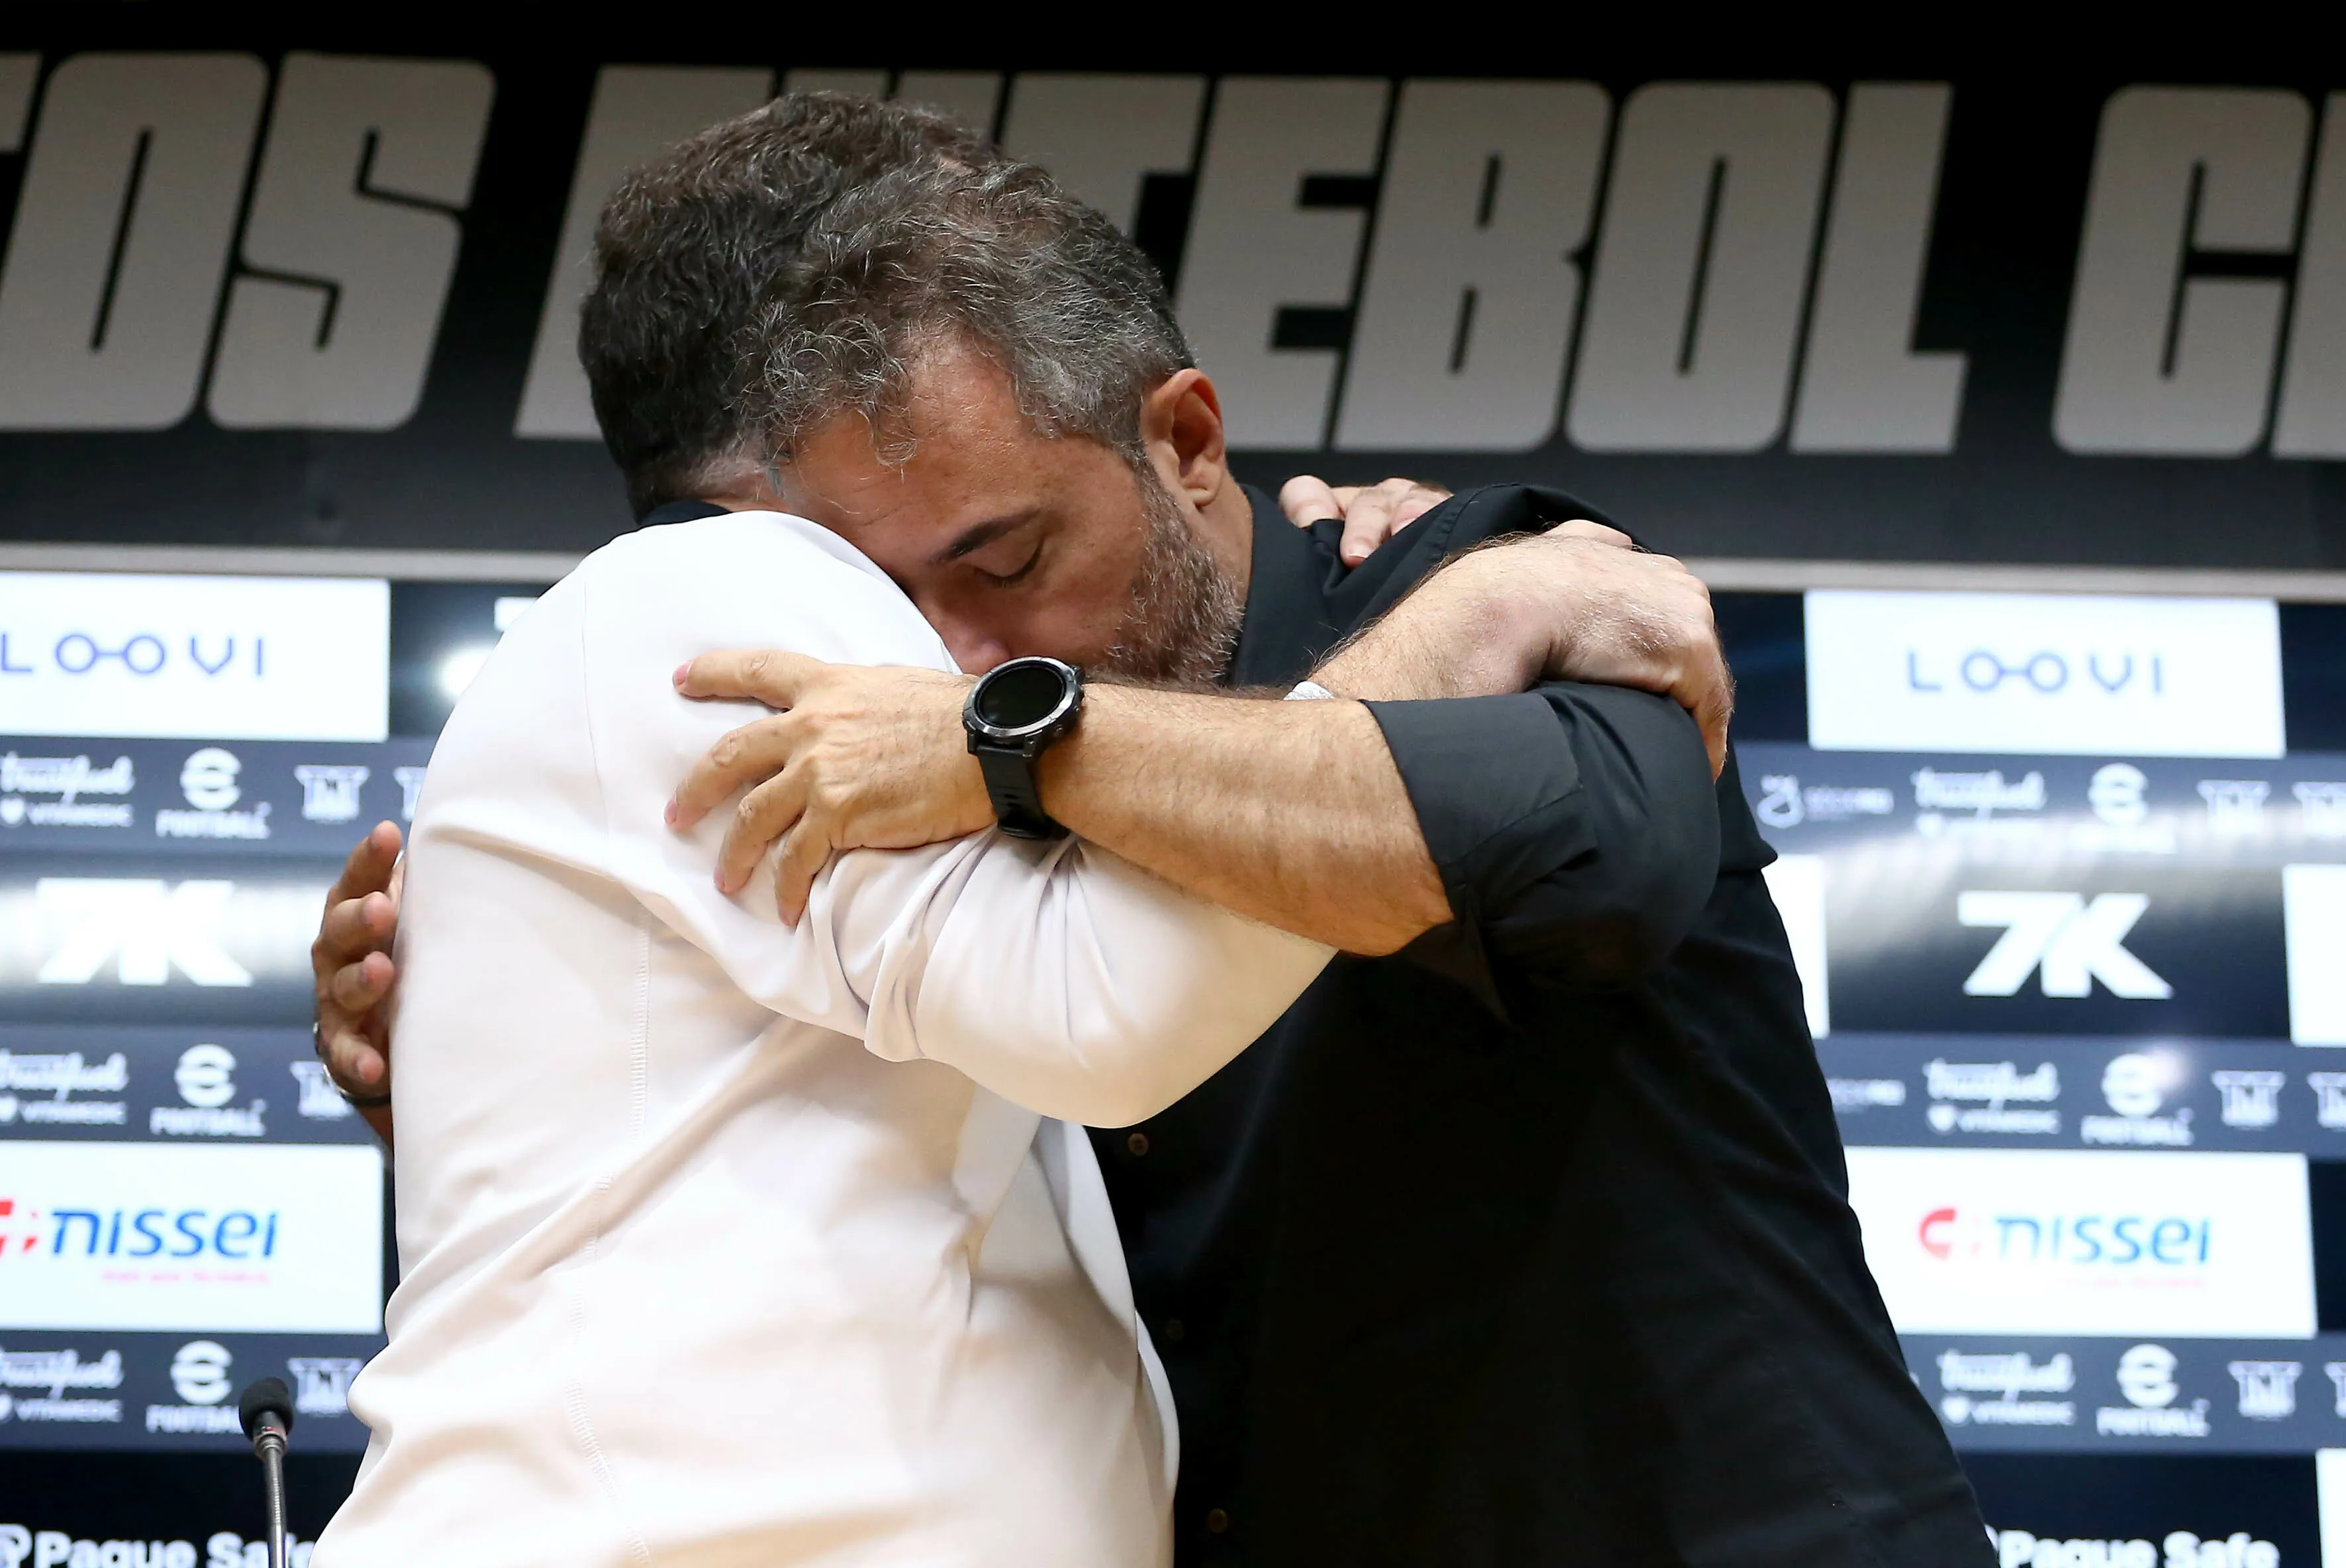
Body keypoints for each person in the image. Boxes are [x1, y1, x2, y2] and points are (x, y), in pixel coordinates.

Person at [318, 97, 1992, 1567]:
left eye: (1004, 557)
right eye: (896, 609)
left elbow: (1602, 863)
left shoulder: (1475, 582)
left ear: (1185, 443)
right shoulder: (912, 795)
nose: (958, 656)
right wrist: (492, 1029)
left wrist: (1026, 745)